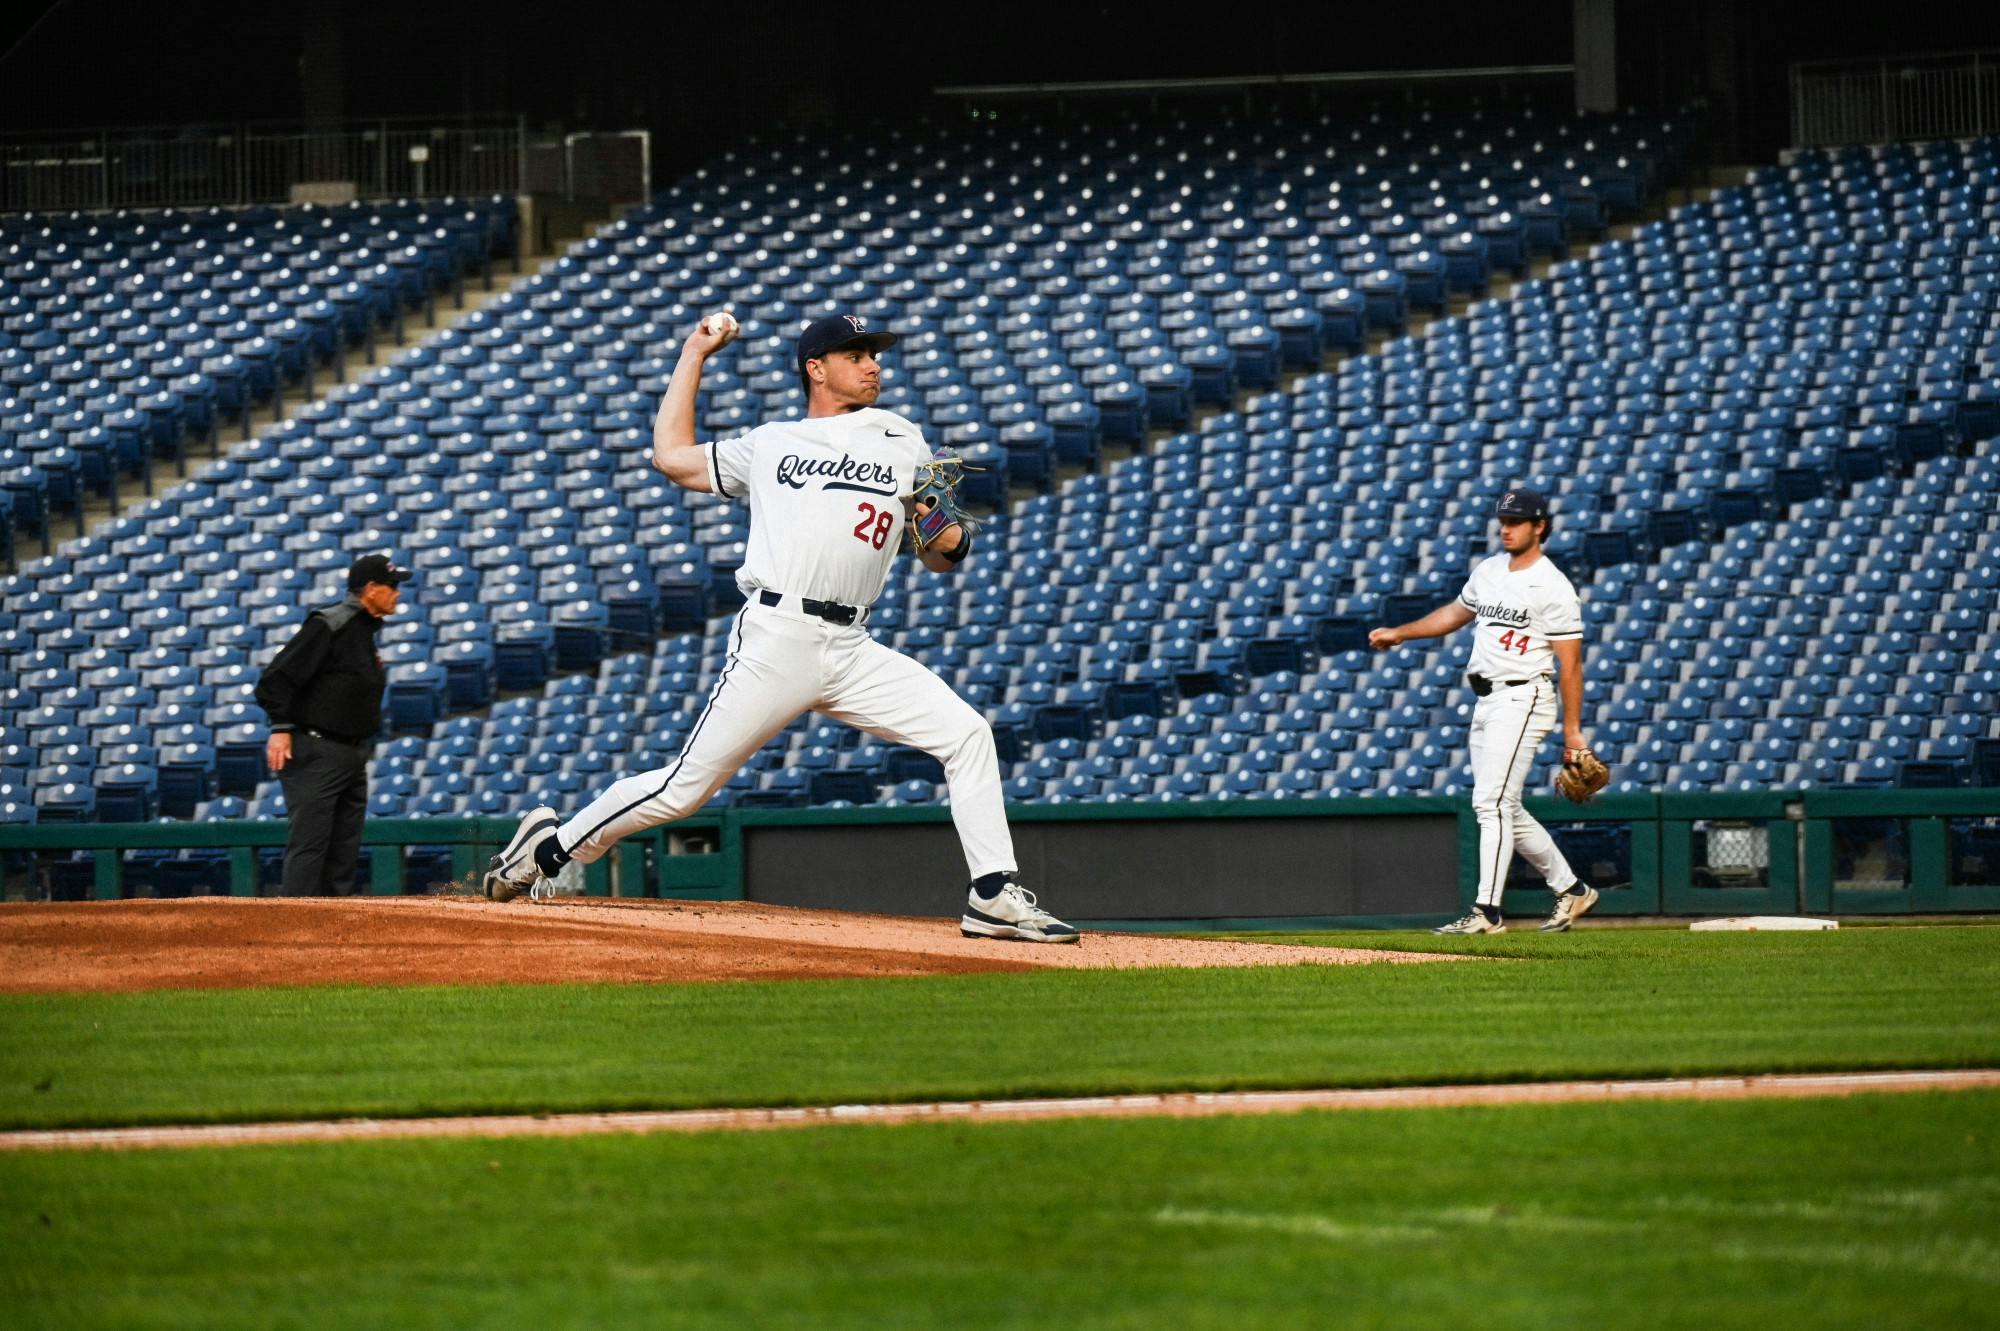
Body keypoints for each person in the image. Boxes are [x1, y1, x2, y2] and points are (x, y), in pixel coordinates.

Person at [481, 312, 1080, 944]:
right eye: (855, 355)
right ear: (815, 368)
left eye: (874, 354)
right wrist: (694, 354)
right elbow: (671, 458)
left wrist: (946, 535)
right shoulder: (772, 443)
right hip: (779, 635)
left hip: (853, 647)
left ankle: (991, 895)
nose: (873, 364)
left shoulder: (903, 439)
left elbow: (937, 553)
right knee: (684, 791)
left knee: (966, 734)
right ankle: (550, 851)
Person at [1367, 488, 1599, 934]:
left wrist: (1573, 733)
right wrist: (1401, 633)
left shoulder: (1554, 587)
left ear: (1540, 527)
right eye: (1503, 520)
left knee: (1489, 802)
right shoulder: (1489, 570)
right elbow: (1455, 613)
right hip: (1486, 698)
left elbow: (1570, 664)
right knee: (1505, 807)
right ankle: (1571, 890)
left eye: (1516, 521)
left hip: (1524, 696)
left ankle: (1486, 912)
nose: (1506, 528)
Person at [254, 552, 412, 896]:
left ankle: (331, 930)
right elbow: (275, 679)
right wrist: (280, 728)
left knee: (343, 848)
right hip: (317, 749)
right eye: (392, 586)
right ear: (371, 589)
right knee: (311, 845)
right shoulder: (331, 623)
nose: (398, 593)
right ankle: (295, 927)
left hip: (351, 753)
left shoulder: (363, 632)